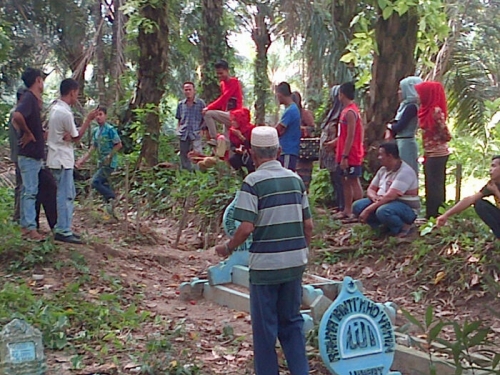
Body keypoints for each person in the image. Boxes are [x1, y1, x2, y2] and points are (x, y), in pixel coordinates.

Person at [214, 126, 312, 375]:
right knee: (291, 322)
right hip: (294, 263)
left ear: (252, 154)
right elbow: (308, 224)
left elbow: (246, 227)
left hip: (266, 266)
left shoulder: (252, 183)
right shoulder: (296, 180)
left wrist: (227, 247)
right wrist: (301, 252)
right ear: (279, 151)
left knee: (265, 329)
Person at [47, 78, 98, 244]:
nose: (77, 97)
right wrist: (88, 120)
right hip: (62, 159)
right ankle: (63, 229)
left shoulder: (55, 109)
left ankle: (64, 227)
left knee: (66, 193)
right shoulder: (65, 113)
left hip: (56, 156)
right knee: (66, 194)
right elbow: (76, 137)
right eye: (76, 93)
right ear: (71, 92)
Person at [9, 87, 58, 231]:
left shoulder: (28, 113)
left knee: (31, 189)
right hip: (26, 156)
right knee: (29, 190)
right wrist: (27, 133)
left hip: (28, 156)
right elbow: (16, 120)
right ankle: (26, 224)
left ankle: (27, 222)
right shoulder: (19, 112)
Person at [353, 142, 420, 237]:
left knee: (383, 211)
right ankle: (383, 227)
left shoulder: (405, 172)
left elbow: (391, 196)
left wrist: (368, 210)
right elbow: (371, 189)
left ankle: (402, 227)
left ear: (390, 156)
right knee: (357, 206)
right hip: (382, 201)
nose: (379, 158)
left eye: (381, 155)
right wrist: (374, 197)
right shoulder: (383, 170)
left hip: (404, 207)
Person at [11, 68, 47, 241]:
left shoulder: (32, 100)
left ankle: (26, 226)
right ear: (38, 80)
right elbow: (17, 115)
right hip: (29, 155)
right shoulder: (29, 98)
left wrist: (37, 133)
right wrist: (27, 132)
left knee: (28, 190)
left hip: (32, 154)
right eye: (42, 81)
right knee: (30, 191)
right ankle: (31, 229)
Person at [437, 156, 500, 239]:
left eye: (494, 166)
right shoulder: (492, 184)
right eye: (490, 166)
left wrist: (496, 192)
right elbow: (470, 199)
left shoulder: (494, 188)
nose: (490, 169)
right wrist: (446, 215)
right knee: (479, 203)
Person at [75, 106, 122, 214]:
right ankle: (110, 211)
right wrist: (82, 160)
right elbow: (93, 148)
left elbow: (118, 144)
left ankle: (112, 197)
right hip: (101, 162)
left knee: (95, 181)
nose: (98, 117)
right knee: (104, 184)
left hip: (109, 163)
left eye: (100, 114)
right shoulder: (96, 131)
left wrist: (109, 156)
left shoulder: (110, 129)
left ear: (105, 116)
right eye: (96, 115)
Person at [415, 81, 452, 219]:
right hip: (429, 152)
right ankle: (432, 212)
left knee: (435, 184)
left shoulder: (435, 111)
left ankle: (436, 213)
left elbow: (445, 133)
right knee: (430, 183)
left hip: (438, 153)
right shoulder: (425, 109)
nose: (418, 96)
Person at [335, 82, 364, 220]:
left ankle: (360, 210)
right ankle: (347, 210)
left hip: (351, 154)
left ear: (342, 94)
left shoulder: (351, 112)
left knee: (353, 180)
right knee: (344, 180)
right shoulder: (345, 111)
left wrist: (345, 155)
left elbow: (351, 135)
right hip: (342, 152)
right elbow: (343, 134)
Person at [386, 76, 422, 176]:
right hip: (401, 142)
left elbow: (399, 126)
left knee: (407, 172)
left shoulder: (411, 107)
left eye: (401, 89)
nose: (399, 92)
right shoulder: (404, 106)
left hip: (407, 143)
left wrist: (389, 127)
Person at [202, 60, 243, 143]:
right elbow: (225, 102)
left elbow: (224, 98)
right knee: (226, 143)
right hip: (227, 114)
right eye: (217, 73)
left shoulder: (234, 82)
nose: (219, 75)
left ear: (227, 71)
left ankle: (214, 138)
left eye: (221, 73)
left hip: (235, 115)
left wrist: (208, 107)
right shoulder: (222, 84)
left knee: (208, 113)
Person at [319, 85, 345, 211]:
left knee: (340, 179)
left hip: (337, 151)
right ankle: (338, 203)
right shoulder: (333, 112)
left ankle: (343, 205)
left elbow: (343, 134)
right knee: (334, 178)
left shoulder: (343, 113)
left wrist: (333, 144)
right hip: (330, 153)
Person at [173, 82, 206, 171]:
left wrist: (203, 130)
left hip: (196, 132)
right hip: (183, 133)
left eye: (189, 89)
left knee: (197, 154)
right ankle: (186, 173)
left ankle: (198, 173)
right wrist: (178, 130)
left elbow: (205, 118)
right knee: (184, 154)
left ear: (194, 90)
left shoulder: (200, 103)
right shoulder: (181, 104)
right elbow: (179, 119)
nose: (188, 91)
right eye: (186, 90)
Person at [275, 82, 301, 171]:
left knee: (286, 174)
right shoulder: (290, 109)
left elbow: (279, 129)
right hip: (286, 150)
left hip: (288, 150)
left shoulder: (291, 110)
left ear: (280, 95)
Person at [228, 107, 255, 173]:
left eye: (234, 120)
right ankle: (241, 176)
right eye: (232, 120)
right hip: (241, 155)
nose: (232, 122)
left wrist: (241, 137)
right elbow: (232, 146)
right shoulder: (233, 131)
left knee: (250, 162)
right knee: (233, 160)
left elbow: (252, 146)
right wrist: (235, 150)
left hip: (252, 155)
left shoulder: (251, 130)